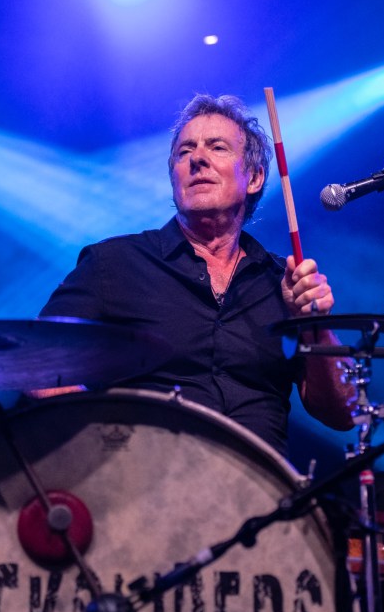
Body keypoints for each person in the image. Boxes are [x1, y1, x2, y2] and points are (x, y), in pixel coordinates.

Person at [39, 93, 355, 457]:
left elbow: (343, 414)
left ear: (254, 177)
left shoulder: (284, 281)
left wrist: (314, 324)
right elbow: (39, 366)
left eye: (217, 147)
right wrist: (104, 443)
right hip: (142, 477)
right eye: (184, 151)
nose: (197, 158)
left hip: (260, 483)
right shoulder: (113, 263)